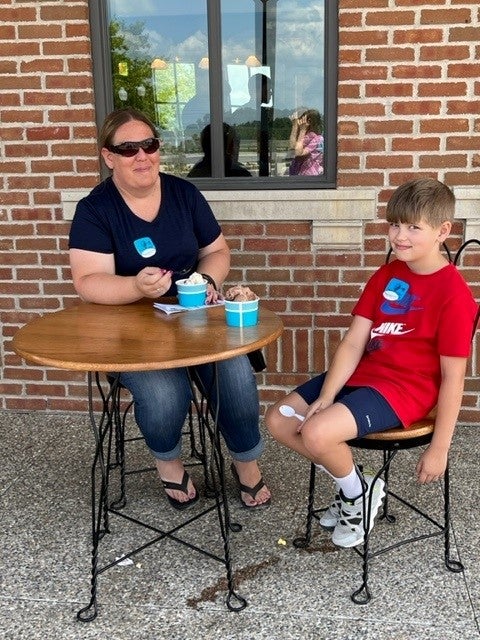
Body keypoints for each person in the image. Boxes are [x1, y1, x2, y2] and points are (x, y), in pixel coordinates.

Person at [68, 107, 271, 510]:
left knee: (235, 374)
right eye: (128, 149)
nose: (141, 155)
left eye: (149, 145)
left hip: (195, 316)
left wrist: (208, 282)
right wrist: (135, 286)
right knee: (164, 394)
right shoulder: (95, 209)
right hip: (130, 329)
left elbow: (216, 250)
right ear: (108, 157)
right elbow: (88, 282)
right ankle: (170, 465)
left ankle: (245, 464)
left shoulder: (184, 194)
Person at [266, 178, 477, 548]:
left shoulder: (454, 295)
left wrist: (440, 447)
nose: (400, 235)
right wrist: (328, 395)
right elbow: (353, 342)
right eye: (395, 224)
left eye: (414, 227)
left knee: (316, 432)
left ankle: (355, 495)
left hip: (404, 390)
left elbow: (453, 377)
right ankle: (358, 487)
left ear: (443, 231)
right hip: (364, 375)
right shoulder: (386, 274)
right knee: (279, 420)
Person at [288, 108, 324, 176]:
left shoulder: (317, 138)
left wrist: (302, 130)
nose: (298, 122)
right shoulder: (305, 136)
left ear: (309, 122)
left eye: (300, 119)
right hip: (298, 174)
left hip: (309, 176)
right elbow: (292, 146)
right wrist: (294, 126)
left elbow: (298, 152)